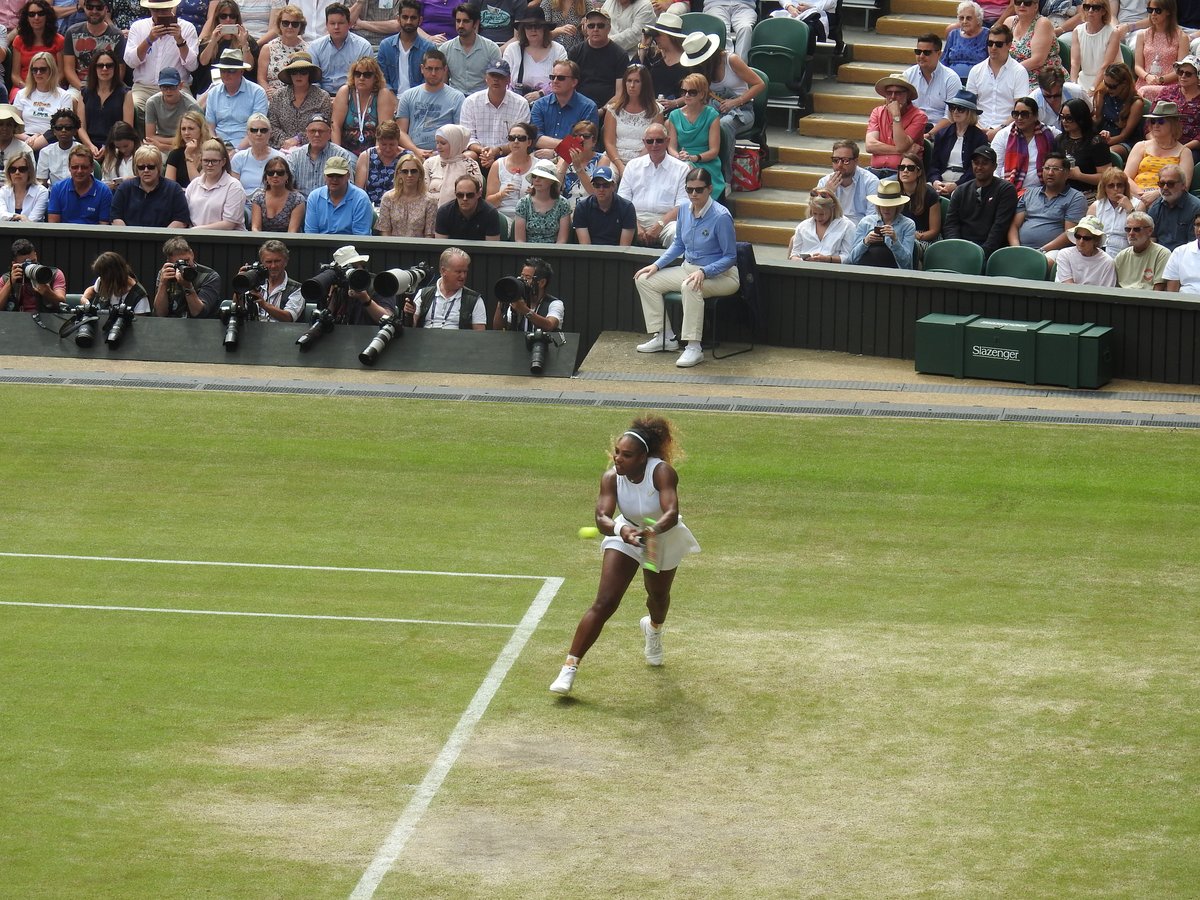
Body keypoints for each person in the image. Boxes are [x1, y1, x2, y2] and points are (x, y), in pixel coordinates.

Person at [548, 415, 700, 696]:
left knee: (657, 598)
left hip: (659, 538)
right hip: (626, 536)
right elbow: (601, 518)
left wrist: (649, 532)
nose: (618, 459)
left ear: (643, 457)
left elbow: (670, 512)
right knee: (604, 602)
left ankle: (653, 629)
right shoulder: (611, 478)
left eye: (626, 455)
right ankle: (569, 667)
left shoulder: (662, 472)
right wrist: (623, 529)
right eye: (617, 452)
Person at [633, 166, 737, 368]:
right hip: (689, 269)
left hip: (723, 276)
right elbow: (679, 243)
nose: (694, 194)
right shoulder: (683, 210)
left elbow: (731, 257)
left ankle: (694, 347)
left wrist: (705, 271)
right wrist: (656, 265)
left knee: (690, 286)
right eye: (690, 190)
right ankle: (665, 337)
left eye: (699, 190)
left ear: (710, 189)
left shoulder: (721, 216)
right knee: (644, 279)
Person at [288, 243, 397, 325]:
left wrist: (365, 299)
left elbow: (388, 318)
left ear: (361, 265)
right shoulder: (337, 285)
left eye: (353, 268)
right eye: (345, 269)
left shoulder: (379, 283)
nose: (349, 273)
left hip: (371, 340)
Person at [943, 144, 1020, 258]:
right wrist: (956, 247)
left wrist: (982, 253)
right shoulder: (961, 190)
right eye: (976, 163)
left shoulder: (1006, 190)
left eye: (984, 163)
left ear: (994, 166)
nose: (979, 167)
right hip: (961, 246)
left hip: (991, 251)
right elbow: (951, 224)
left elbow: (1000, 227)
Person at [617, 121, 687, 246]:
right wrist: (634, 224)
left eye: (659, 140)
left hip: (667, 221)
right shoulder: (632, 166)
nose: (654, 145)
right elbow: (622, 201)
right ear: (644, 142)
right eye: (650, 141)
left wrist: (659, 225)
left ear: (667, 141)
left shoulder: (682, 168)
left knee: (676, 232)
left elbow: (682, 205)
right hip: (634, 218)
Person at [1009, 150, 1088, 259]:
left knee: (1044, 262)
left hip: (1053, 251)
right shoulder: (1029, 193)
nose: (1050, 173)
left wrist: (1041, 250)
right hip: (1022, 248)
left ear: (1067, 173)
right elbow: (1015, 225)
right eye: (1047, 168)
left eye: (1056, 169)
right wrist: (1016, 248)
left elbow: (1069, 233)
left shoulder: (1076, 197)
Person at [124, 0, 200, 109]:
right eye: (156, 10)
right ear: (150, 9)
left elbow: (192, 66)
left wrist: (180, 41)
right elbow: (130, 62)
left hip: (177, 87)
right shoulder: (138, 27)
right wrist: (149, 40)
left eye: (164, 10)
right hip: (144, 87)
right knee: (135, 106)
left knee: (192, 109)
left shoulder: (187, 28)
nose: (160, 14)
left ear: (171, 8)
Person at [460, 59, 531, 168]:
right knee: (468, 156)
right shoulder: (471, 101)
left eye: (501, 76)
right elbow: (467, 136)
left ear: (509, 79)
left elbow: (521, 139)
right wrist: (483, 151)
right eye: (492, 75)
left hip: (507, 154)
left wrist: (497, 151)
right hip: (479, 154)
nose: (496, 80)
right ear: (486, 78)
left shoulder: (521, 103)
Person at [396, 49, 466, 157]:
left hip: (445, 156)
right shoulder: (408, 95)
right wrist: (416, 151)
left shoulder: (457, 97)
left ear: (445, 70)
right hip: (413, 154)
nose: (433, 73)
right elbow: (401, 131)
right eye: (429, 69)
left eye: (437, 69)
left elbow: (459, 133)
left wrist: (439, 154)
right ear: (422, 69)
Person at [666, 72, 724, 198]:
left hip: (705, 161)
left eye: (692, 92)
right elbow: (671, 147)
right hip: (680, 159)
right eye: (683, 91)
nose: (686, 95)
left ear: (702, 94)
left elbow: (714, 151)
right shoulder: (674, 115)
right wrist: (679, 156)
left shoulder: (712, 115)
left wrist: (694, 158)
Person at [967, 24, 1031, 137]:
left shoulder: (1019, 72)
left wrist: (999, 130)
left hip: (1008, 130)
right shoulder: (975, 71)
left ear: (1009, 45)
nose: (993, 47)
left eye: (998, 44)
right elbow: (969, 106)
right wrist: (978, 128)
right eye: (990, 43)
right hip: (977, 128)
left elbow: (1020, 110)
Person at [603, 63, 663, 179]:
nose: (631, 85)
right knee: (607, 178)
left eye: (637, 81)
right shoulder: (613, 109)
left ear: (645, 84)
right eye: (629, 81)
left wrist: (633, 166)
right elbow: (609, 142)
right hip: (616, 159)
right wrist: (620, 166)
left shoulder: (656, 110)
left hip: (644, 159)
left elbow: (654, 143)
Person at [1127, 100, 1194, 203]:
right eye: (1153, 121)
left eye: (1161, 121)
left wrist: (1156, 194)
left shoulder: (1184, 152)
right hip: (1137, 196)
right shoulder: (1141, 146)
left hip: (1166, 199)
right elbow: (1126, 177)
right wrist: (1142, 196)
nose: (1156, 125)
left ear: (1173, 124)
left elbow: (1183, 186)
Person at [405, 245, 487, 328]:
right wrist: (410, 315)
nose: (463, 276)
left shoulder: (474, 300)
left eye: (465, 272)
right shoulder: (423, 294)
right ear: (443, 270)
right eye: (458, 272)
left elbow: (479, 337)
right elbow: (412, 329)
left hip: (459, 340)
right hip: (426, 340)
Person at [329, 55, 396, 156]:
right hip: (346, 151)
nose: (361, 78)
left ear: (375, 78)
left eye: (367, 75)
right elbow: (335, 126)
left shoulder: (383, 94)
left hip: (374, 150)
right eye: (357, 74)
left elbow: (384, 130)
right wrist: (338, 154)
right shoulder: (345, 92)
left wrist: (375, 157)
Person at [111, 143, 191, 225]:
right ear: (136, 168)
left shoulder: (174, 189)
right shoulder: (125, 188)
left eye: (151, 167)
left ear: (159, 167)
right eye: (141, 167)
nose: (146, 170)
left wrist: (162, 236)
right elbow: (116, 217)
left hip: (165, 237)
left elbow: (181, 220)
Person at [530, 58, 598, 152]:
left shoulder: (588, 107)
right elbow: (535, 139)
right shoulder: (539, 105)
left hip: (574, 160)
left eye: (561, 78)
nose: (555, 81)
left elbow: (585, 143)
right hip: (541, 158)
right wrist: (566, 146)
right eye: (552, 77)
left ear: (574, 82)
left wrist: (556, 153)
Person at [846, 179, 917, 268]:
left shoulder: (908, 225)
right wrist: (866, 241)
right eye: (883, 205)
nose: (886, 209)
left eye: (890, 206)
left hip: (894, 274)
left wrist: (895, 240)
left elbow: (907, 263)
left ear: (897, 206)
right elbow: (850, 260)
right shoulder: (866, 222)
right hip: (866, 272)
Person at [268, 51, 332, 150]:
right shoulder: (278, 96)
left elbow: (324, 127)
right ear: (290, 74)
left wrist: (298, 139)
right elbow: (272, 125)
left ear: (310, 74)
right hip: (281, 148)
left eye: (303, 72)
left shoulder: (323, 97)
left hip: (313, 148)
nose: (299, 76)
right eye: (294, 72)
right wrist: (285, 142)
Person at [194, 0, 259, 97]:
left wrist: (244, 44)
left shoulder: (247, 40)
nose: (228, 20)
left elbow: (249, 67)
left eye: (232, 16)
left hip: (239, 89)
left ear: (237, 18)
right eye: (223, 16)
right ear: (217, 18)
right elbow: (203, 62)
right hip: (211, 89)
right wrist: (213, 41)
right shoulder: (208, 40)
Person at [867, 74, 928, 176]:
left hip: (902, 173)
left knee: (881, 187)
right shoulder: (877, 112)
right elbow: (870, 146)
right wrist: (904, 151)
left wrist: (896, 116)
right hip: (875, 170)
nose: (893, 97)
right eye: (889, 93)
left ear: (907, 95)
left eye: (898, 93)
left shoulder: (919, 116)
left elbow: (901, 145)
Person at [931, 89, 990, 194]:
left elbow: (977, 169)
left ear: (970, 112)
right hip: (942, 178)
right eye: (952, 108)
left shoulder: (979, 137)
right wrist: (936, 181)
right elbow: (934, 165)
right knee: (926, 192)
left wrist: (956, 185)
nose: (955, 111)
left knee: (959, 195)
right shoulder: (942, 134)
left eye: (961, 108)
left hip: (966, 182)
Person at [993, 95, 1054, 195]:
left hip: (1041, 191)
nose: (1019, 118)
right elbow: (996, 167)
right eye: (1016, 114)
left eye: (1024, 114)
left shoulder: (1049, 134)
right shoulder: (1004, 135)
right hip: (1008, 191)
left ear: (1035, 116)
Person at [504, 6, 567, 102]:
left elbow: (564, 80)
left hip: (549, 102)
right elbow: (504, 80)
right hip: (517, 102)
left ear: (544, 28)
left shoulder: (558, 50)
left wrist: (542, 93)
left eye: (537, 26)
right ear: (523, 29)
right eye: (529, 26)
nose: (533, 30)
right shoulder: (512, 49)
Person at [14, 51, 75, 150]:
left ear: (51, 71)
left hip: (52, 139)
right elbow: (14, 125)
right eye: (35, 70)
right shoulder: (22, 94)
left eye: (43, 69)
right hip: (25, 139)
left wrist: (37, 141)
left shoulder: (64, 96)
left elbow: (63, 125)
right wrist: (28, 139)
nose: (38, 73)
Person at [78, 48, 133, 156]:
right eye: (100, 65)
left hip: (116, 146)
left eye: (109, 65)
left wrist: (108, 148)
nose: (104, 69)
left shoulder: (126, 93)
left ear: (115, 68)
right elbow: (80, 127)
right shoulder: (85, 92)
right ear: (94, 68)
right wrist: (90, 146)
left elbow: (127, 128)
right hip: (88, 146)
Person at [569, 8, 628, 109]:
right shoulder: (575, 52)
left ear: (609, 28)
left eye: (600, 26)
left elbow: (620, 93)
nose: (595, 29)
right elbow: (568, 85)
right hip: (578, 107)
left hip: (608, 109)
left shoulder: (620, 55)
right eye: (591, 26)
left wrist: (602, 111)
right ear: (586, 28)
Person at [904, 34, 962, 134]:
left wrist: (929, 135)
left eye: (927, 52)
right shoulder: (908, 75)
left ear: (939, 54)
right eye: (918, 52)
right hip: (912, 127)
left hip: (940, 131)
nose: (921, 56)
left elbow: (951, 116)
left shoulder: (951, 78)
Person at [152, 235, 222, 317]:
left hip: (202, 327)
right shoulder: (166, 274)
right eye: (179, 263)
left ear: (192, 254)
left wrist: (188, 287)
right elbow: (159, 314)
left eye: (186, 261)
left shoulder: (209, 276)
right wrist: (163, 284)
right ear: (169, 262)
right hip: (170, 325)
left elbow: (199, 313)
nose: (185, 266)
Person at [377, 0, 435, 98]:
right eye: (405, 17)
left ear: (420, 20)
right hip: (390, 98)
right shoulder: (386, 46)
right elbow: (381, 79)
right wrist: (393, 99)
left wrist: (408, 103)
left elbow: (429, 81)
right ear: (398, 19)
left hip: (419, 99)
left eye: (413, 18)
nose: (409, 21)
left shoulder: (429, 48)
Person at [308, 2, 369, 93]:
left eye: (341, 23)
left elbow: (365, 79)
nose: (336, 27)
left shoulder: (363, 46)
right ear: (327, 25)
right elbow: (313, 81)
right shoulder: (315, 47)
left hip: (353, 95)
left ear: (349, 24)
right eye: (332, 23)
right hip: (323, 96)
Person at [286, 111, 353, 193]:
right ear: (307, 133)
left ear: (329, 133)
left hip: (330, 203)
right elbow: (287, 186)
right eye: (312, 131)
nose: (317, 134)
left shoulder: (341, 155)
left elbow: (349, 187)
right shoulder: (295, 156)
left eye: (321, 131)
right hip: (302, 204)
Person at [63, 0, 124, 90]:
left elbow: (120, 70)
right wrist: (83, 90)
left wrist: (105, 91)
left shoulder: (117, 35)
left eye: (99, 7)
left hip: (108, 87)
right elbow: (69, 69)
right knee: (71, 100)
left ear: (106, 9)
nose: (94, 11)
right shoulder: (72, 32)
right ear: (84, 8)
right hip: (79, 86)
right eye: (90, 7)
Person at [303, 153, 371, 233]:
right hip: (319, 244)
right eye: (330, 175)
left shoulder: (361, 198)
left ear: (348, 176)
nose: (334, 179)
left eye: (339, 175)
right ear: (324, 176)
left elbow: (360, 236)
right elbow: (311, 233)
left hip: (352, 245)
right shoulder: (314, 197)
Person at [1004, 0, 1065, 89]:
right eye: (1018, 2)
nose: (1022, 5)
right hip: (1013, 76)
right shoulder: (1009, 22)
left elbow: (1037, 61)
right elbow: (999, 50)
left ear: (1036, 6)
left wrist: (1008, 71)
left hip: (1043, 79)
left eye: (1027, 2)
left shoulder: (1042, 23)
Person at [492, 254, 563, 331]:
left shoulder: (555, 304)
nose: (522, 281)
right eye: (522, 276)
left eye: (528, 277)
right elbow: (497, 329)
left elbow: (550, 325)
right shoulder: (517, 302)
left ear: (542, 282)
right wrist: (502, 302)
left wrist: (525, 310)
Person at [185, 138, 246, 228]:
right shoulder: (194, 184)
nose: (209, 165)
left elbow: (229, 224)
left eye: (214, 161)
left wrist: (196, 231)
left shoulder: (234, 186)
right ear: (201, 161)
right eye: (206, 161)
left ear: (223, 162)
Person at [818, 138, 881, 225]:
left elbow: (872, 217)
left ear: (856, 161)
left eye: (845, 161)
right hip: (832, 230)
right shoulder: (824, 182)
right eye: (836, 160)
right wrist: (828, 194)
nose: (839, 165)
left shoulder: (871, 182)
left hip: (860, 230)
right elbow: (818, 216)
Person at [1135, 0, 1188, 99]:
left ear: (1168, 12)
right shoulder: (1142, 35)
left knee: (1144, 92)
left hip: (1169, 86)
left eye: (1158, 10)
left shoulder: (1182, 37)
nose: (1153, 14)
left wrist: (1161, 80)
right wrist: (1147, 77)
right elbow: (1137, 66)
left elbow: (1181, 69)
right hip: (1145, 82)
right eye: (1150, 10)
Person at [442, 2, 499, 95]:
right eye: (458, 21)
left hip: (482, 99)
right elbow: (443, 83)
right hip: (455, 99)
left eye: (466, 21)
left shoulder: (491, 49)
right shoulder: (445, 49)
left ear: (476, 23)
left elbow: (495, 81)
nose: (460, 25)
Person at [239, 239, 303, 321]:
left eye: (277, 261)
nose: (273, 266)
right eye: (269, 262)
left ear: (286, 261)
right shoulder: (254, 281)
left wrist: (264, 305)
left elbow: (289, 317)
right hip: (252, 331)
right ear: (262, 263)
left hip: (283, 332)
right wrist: (240, 285)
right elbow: (239, 308)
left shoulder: (297, 288)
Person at [47, 144, 112, 222]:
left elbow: (103, 227)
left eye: (84, 167)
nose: (79, 171)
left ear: (92, 168)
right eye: (75, 167)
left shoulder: (104, 191)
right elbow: (53, 225)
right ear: (69, 168)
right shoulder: (57, 189)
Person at [378, 150, 437, 235]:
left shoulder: (430, 201)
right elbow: (385, 232)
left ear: (420, 173)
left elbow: (429, 235)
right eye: (405, 171)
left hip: (420, 247)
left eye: (413, 171)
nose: (409, 175)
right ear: (399, 174)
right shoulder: (388, 198)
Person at [484, 119, 534, 220]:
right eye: (512, 138)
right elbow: (488, 203)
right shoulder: (498, 165)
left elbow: (549, 199)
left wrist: (536, 194)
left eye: (521, 138)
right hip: (502, 217)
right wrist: (501, 195)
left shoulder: (538, 165)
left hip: (530, 216)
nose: (516, 142)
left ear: (529, 142)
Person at [144, 66, 201, 153]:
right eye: (164, 87)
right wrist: (177, 141)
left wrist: (162, 145)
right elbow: (149, 136)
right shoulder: (152, 103)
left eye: (172, 87)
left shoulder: (191, 105)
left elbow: (196, 137)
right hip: (163, 144)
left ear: (181, 85)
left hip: (186, 146)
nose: (168, 91)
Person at [788, 188, 854, 263]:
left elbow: (848, 257)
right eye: (815, 213)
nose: (818, 218)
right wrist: (799, 260)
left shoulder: (847, 226)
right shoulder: (803, 226)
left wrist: (828, 259)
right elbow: (794, 255)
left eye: (822, 214)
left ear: (832, 209)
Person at [11, 0, 64, 93]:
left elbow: (61, 73)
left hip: (51, 87)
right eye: (31, 14)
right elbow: (15, 75)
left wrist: (46, 88)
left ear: (47, 16)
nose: (36, 17)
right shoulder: (19, 40)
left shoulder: (59, 40)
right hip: (24, 87)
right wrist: (27, 88)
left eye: (41, 13)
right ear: (26, 18)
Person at [573, 165, 634, 245]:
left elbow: (624, 247)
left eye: (606, 185)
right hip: (590, 255)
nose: (601, 189)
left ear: (613, 186)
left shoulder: (627, 208)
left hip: (618, 255)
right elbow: (585, 246)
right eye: (597, 185)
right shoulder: (582, 208)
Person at [1088, 165, 1143, 254]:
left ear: (1125, 187)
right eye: (1111, 186)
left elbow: (1141, 236)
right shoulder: (1095, 207)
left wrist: (1130, 210)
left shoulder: (1138, 205)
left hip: (1127, 252)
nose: (1116, 189)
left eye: (1120, 185)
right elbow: (1088, 235)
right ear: (1104, 188)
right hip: (1099, 252)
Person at [424, 121, 482, 205]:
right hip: (431, 211)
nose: (438, 147)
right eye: (437, 142)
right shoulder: (429, 163)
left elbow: (475, 195)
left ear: (455, 143)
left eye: (443, 143)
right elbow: (422, 194)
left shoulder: (470, 165)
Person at [897, 153, 942, 259]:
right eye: (902, 167)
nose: (905, 171)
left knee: (911, 247)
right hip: (899, 235)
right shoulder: (893, 191)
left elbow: (934, 231)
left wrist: (917, 236)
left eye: (911, 168)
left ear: (919, 172)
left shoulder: (930, 193)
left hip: (924, 238)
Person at [256, 3, 308, 97]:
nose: (290, 27)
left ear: (301, 26)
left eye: (295, 24)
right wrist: (269, 93)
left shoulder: (308, 50)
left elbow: (308, 82)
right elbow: (261, 79)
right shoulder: (267, 48)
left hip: (298, 98)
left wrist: (283, 95)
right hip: (271, 97)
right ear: (279, 24)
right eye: (285, 23)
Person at [0, 238, 66, 310]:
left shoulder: (53, 274)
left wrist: (48, 292)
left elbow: (62, 305)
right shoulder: (6, 278)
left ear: (36, 255)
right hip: (15, 319)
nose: (30, 266)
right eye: (25, 264)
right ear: (14, 264)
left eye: (33, 262)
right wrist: (10, 282)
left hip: (46, 319)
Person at [514, 157, 570, 242]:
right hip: (527, 253)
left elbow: (562, 240)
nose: (536, 180)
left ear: (552, 181)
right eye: (534, 176)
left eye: (542, 177)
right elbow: (519, 240)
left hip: (555, 253)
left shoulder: (563, 204)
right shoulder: (523, 203)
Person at [638, 12, 687, 106]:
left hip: (676, 111)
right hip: (650, 106)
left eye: (658, 35)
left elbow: (697, 91)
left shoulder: (688, 61)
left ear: (671, 37)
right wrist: (644, 45)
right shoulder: (652, 55)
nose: (655, 38)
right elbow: (634, 72)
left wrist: (674, 103)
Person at [1070, 0, 1117, 95]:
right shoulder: (1077, 31)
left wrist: (1093, 88)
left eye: (1095, 8)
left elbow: (1106, 66)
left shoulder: (1112, 33)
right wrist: (1073, 85)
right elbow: (1075, 62)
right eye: (1087, 7)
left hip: (1107, 81)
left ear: (1104, 11)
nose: (1090, 11)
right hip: (1083, 79)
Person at [1147, 161, 1200, 246]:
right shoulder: (1155, 207)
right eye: (1162, 183)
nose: (1165, 187)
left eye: (1170, 184)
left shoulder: (1196, 208)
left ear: (1183, 186)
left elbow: (1193, 246)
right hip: (1160, 256)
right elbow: (1151, 239)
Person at [556, 118, 609, 202]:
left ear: (594, 141)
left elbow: (595, 192)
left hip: (590, 206)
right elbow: (554, 190)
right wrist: (566, 162)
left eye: (586, 136)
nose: (581, 139)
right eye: (576, 135)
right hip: (566, 206)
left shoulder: (602, 160)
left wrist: (579, 168)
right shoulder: (563, 158)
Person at [1114, 208, 1170, 286]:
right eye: (1128, 229)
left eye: (1136, 229)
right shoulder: (1121, 256)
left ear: (1150, 231)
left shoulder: (1162, 254)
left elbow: (1159, 290)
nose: (1131, 233)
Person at [81, 250, 149, 315]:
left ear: (114, 278)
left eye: (105, 279)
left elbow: (141, 324)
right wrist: (84, 299)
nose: (102, 281)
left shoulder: (139, 297)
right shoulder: (102, 280)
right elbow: (92, 289)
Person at [1055, 213, 1119, 281]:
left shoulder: (1107, 262)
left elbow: (1105, 290)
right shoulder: (1064, 254)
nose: (1081, 241)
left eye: (1086, 238)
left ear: (1096, 240)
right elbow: (1067, 285)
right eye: (1078, 236)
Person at [249, 156, 306, 230]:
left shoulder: (297, 200)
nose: (275, 176)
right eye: (270, 173)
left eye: (280, 173)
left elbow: (292, 232)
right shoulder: (258, 198)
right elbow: (255, 228)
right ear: (266, 177)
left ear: (287, 176)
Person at [355, 119, 404, 204]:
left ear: (398, 141)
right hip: (371, 207)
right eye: (383, 144)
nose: (388, 149)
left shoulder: (406, 157)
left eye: (392, 144)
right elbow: (359, 191)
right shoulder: (366, 156)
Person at [231, 111, 284, 191]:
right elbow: (233, 189)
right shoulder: (239, 158)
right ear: (247, 133)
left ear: (270, 133)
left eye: (263, 130)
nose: (259, 134)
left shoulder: (280, 158)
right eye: (254, 130)